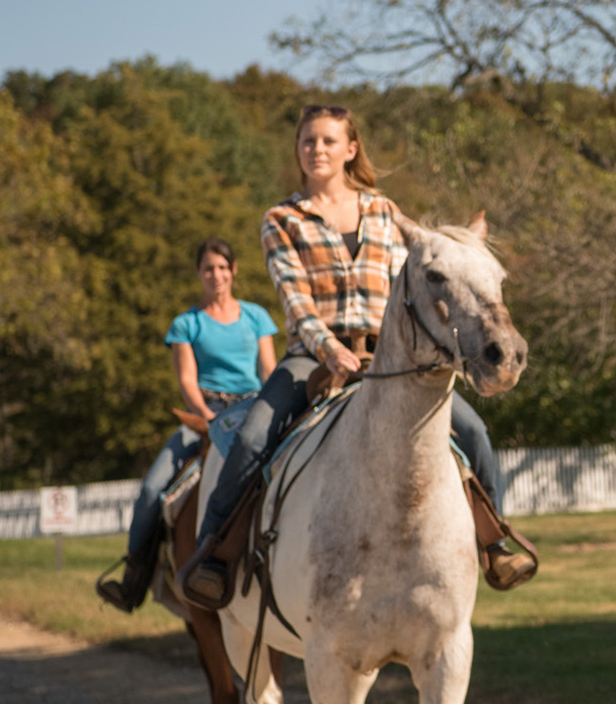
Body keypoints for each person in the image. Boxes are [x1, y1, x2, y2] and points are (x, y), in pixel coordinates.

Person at [177, 103, 533, 609]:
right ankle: (214, 553)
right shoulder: (281, 219)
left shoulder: (383, 212)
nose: (316, 149)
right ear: (298, 151)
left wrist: (467, 247)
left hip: (389, 359)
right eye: (308, 141)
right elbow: (294, 302)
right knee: (254, 436)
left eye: (327, 140)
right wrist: (332, 351)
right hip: (312, 359)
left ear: (350, 149)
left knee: (472, 430)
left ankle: (495, 543)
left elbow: (425, 258)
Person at [95, 237, 277, 613]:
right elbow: (187, 381)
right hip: (204, 415)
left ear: (234, 271)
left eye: (223, 268)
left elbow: (269, 371)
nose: (216, 275)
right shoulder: (186, 324)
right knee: (151, 490)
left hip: (252, 411)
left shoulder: (256, 317)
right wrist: (209, 419)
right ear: (199, 273)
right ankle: (133, 581)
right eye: (209, 268)